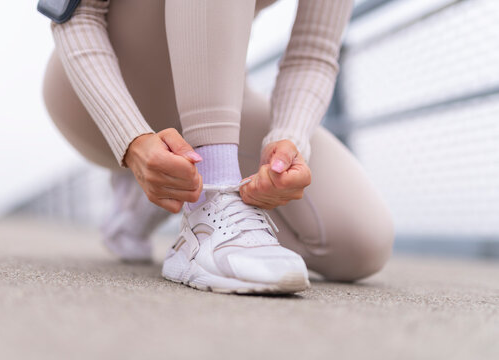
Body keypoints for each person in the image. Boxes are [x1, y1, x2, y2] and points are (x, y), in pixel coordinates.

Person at [42, 0, 394, 294]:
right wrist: (131, 139)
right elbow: (77, 17)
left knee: (361, 244)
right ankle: (209, 200)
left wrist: (289, 137)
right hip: (101, 91)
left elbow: (313, 52)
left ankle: (174, 181)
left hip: (217, 101)